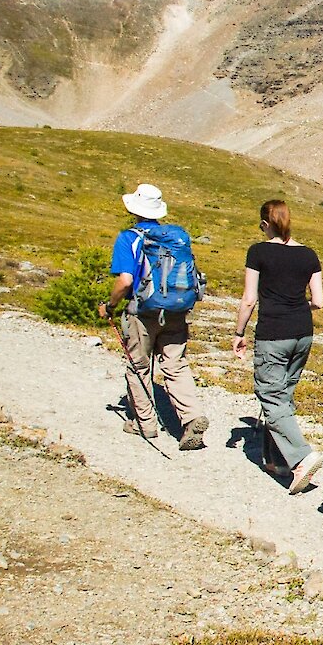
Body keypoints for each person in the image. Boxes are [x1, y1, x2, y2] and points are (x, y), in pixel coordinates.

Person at [98, 183, 207, 451]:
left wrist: (110, 305)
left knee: (138, 365)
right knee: (175, 364)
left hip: (143, 312)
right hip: (176, 310)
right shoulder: (175, 237)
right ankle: (191, 417)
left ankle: (145, 423)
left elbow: (125, 281)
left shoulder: (128, 238)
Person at [233, 199, 323, 493]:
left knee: (271, 396)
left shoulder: (258, 251)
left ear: (265, 223)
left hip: (273, 332)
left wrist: (239, 332)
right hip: (303, 332)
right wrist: (297, 306)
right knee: (283, 395)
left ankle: (301, 457)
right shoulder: (308, 254)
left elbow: (249, 298)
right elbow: (318, 301)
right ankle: (276, 460)